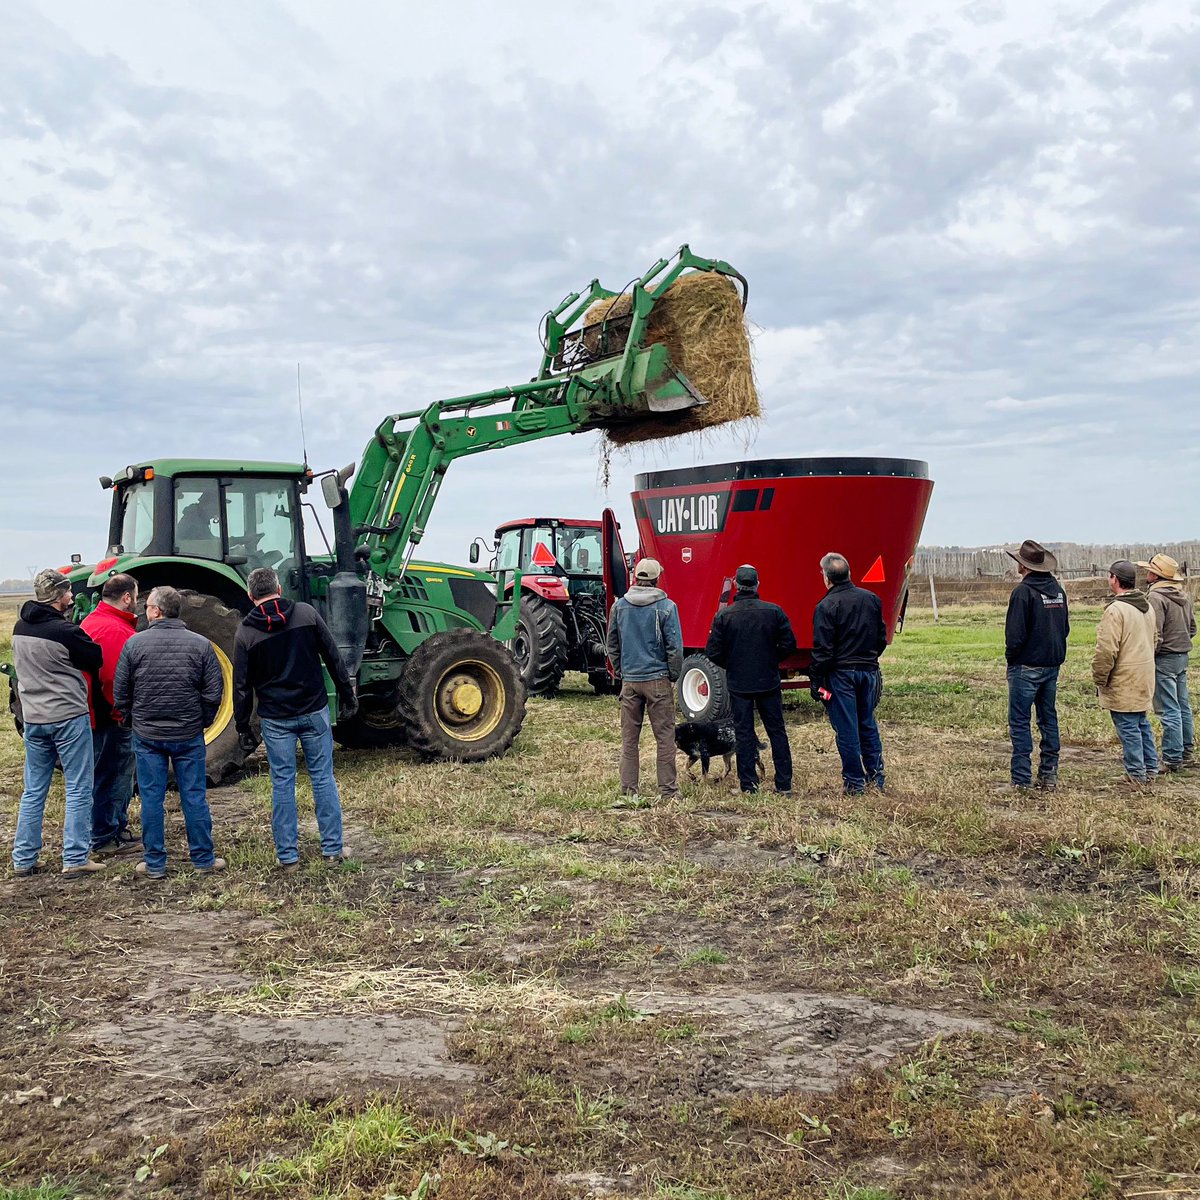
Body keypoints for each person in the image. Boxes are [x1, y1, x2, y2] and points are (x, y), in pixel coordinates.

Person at [233, 567, 358, 870]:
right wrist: (347, 694)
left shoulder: (245, 632)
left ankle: (288, 857)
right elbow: (333, 656)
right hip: (313, 710)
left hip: (275, 719)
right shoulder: (305, 613)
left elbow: (241, 686)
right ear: (278, 587)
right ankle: (332, 850)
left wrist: (241, 725)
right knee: (322, 778)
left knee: (282, 783)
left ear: (251, 596)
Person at [114, 585, 225, 878]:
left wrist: (131, 720)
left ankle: (154, 864)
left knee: (151, 798)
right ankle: (203, 860)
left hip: (148, 736)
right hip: (188, 735)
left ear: (156, 611)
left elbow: (121, 692)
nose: (146, 609)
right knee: (194, 796)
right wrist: (201, 720)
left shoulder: (134, 645)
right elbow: (214, 693)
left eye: (148, 605)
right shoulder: (201, 645)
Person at [10, 570, 107, 879]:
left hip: (35, 719)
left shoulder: (19, 627)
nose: (70, 597)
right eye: (66, 593)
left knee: (33, 790)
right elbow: (95, 658)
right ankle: (75, 857)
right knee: (79, 787)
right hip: (67, 717)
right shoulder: (65, 631)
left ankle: (24, 858)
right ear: (57, 597)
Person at [705, 564, 797, 794]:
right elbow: (789, 644)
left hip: (739, 684)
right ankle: (784, 784)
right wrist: (771, 660)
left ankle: (749, 785)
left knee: (744, 733)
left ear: (736, 584)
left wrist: (733, 664)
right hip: (768, 680)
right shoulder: (774, 611)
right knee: (777, 731)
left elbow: (713, 651)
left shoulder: (724, 615)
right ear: (758, 584)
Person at [605, 557, 683, 801]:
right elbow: (675, 648)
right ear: (656, 578)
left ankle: (629, 792)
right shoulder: (667, 607)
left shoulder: (619, 607)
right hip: (658, 679)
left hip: (630, 681)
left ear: (635, 578)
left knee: (629, 740)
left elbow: (612, 644)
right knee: (664, 739)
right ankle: (668, 792)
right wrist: (673, 674)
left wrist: (621, 671)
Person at [810, 552, 888, 795]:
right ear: (849, 573)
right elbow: (881, 638)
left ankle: (855, 783)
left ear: (826, 578)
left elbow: (823, 650)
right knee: (867, 723)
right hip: (869, 670)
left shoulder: (826, 606)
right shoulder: (871, 599)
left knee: (847, 729)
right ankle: (876, 777)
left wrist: (816, 679)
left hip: (842, 674)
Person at [1003, 539, 1070, 791]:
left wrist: (1012, 659)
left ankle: (1021, 779)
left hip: (1026, 666)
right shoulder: (1058, 591)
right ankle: (1049, 773)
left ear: (1023, 565)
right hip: (1052, 665)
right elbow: (1065, 628)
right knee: (1048, 718)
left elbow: (1015, 635)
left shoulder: (1023, 593)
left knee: (1020, 722)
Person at [81, 573, 140, 854]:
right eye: (136, 596)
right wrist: (122, 715)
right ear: (126, 597)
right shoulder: (115, 630)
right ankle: (106, 834)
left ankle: (110, 828)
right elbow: (114, 680)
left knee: (104, 773)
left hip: (95, 713)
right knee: (115, 773)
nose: (137, 602)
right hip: (111, 718)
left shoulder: (92, 621)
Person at [1092, 560, 1159, 785]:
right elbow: (1155, 639)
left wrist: (1100, 679)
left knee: (1129, 728)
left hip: (1124, 679)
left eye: (1110, 576)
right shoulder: (1147, 606)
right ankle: (1151, 769)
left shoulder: (1116, 610)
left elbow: (1106, 650)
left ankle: (1136, 774)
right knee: (1141, 723)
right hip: (1145, 675)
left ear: (1115, 579)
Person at [1138, 553, 1196, 772]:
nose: (1146, 573)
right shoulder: (1183, 596)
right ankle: (1186, 751)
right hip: (1182, 656)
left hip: (1164, 658)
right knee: (1183, 706)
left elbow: (1155, 633)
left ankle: (1172, 758)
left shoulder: (1155, 598)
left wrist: (1151, 654)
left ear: (1156, 575)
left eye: (1149, 570)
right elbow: (1192, 628)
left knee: (1168, 709)